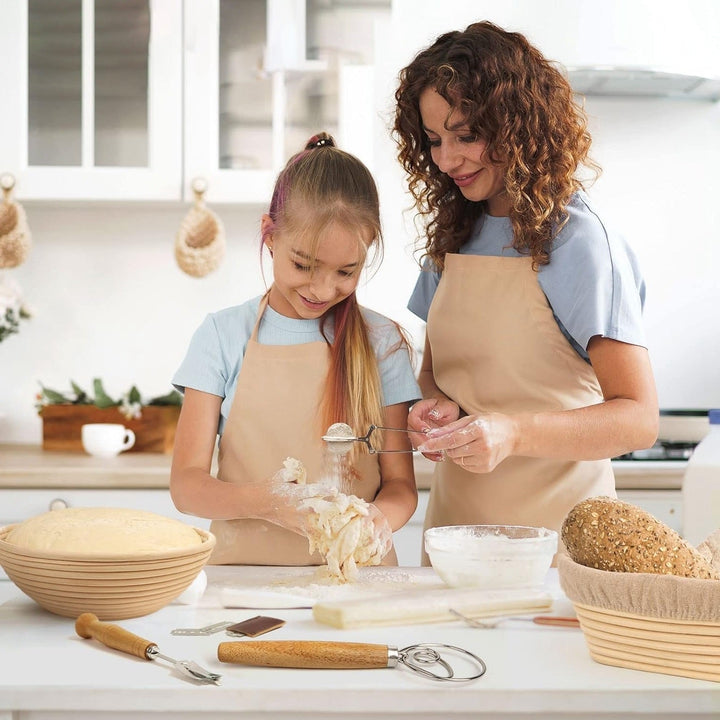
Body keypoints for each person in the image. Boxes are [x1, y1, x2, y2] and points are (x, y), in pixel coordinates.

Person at [392, 21, 659, 555]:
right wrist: (432, 409)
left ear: (518, 124)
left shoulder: (578, 242)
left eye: (467, 135)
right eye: (435, 140)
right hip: (453, 542)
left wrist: (512, 433)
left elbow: (638, 417)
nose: (447, 160)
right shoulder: (454, 232)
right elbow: (433, 375)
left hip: (559, 547)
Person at [170, 133, 420, 566]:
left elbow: (400, 486)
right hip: (241, 587)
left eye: (346, 271)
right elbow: (187, 487)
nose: (323, 289)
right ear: (270, 236)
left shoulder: (384, 343)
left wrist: (380, 519)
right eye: (303, 265)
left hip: (358, 586)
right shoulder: (221, 335)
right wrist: (267, 501)